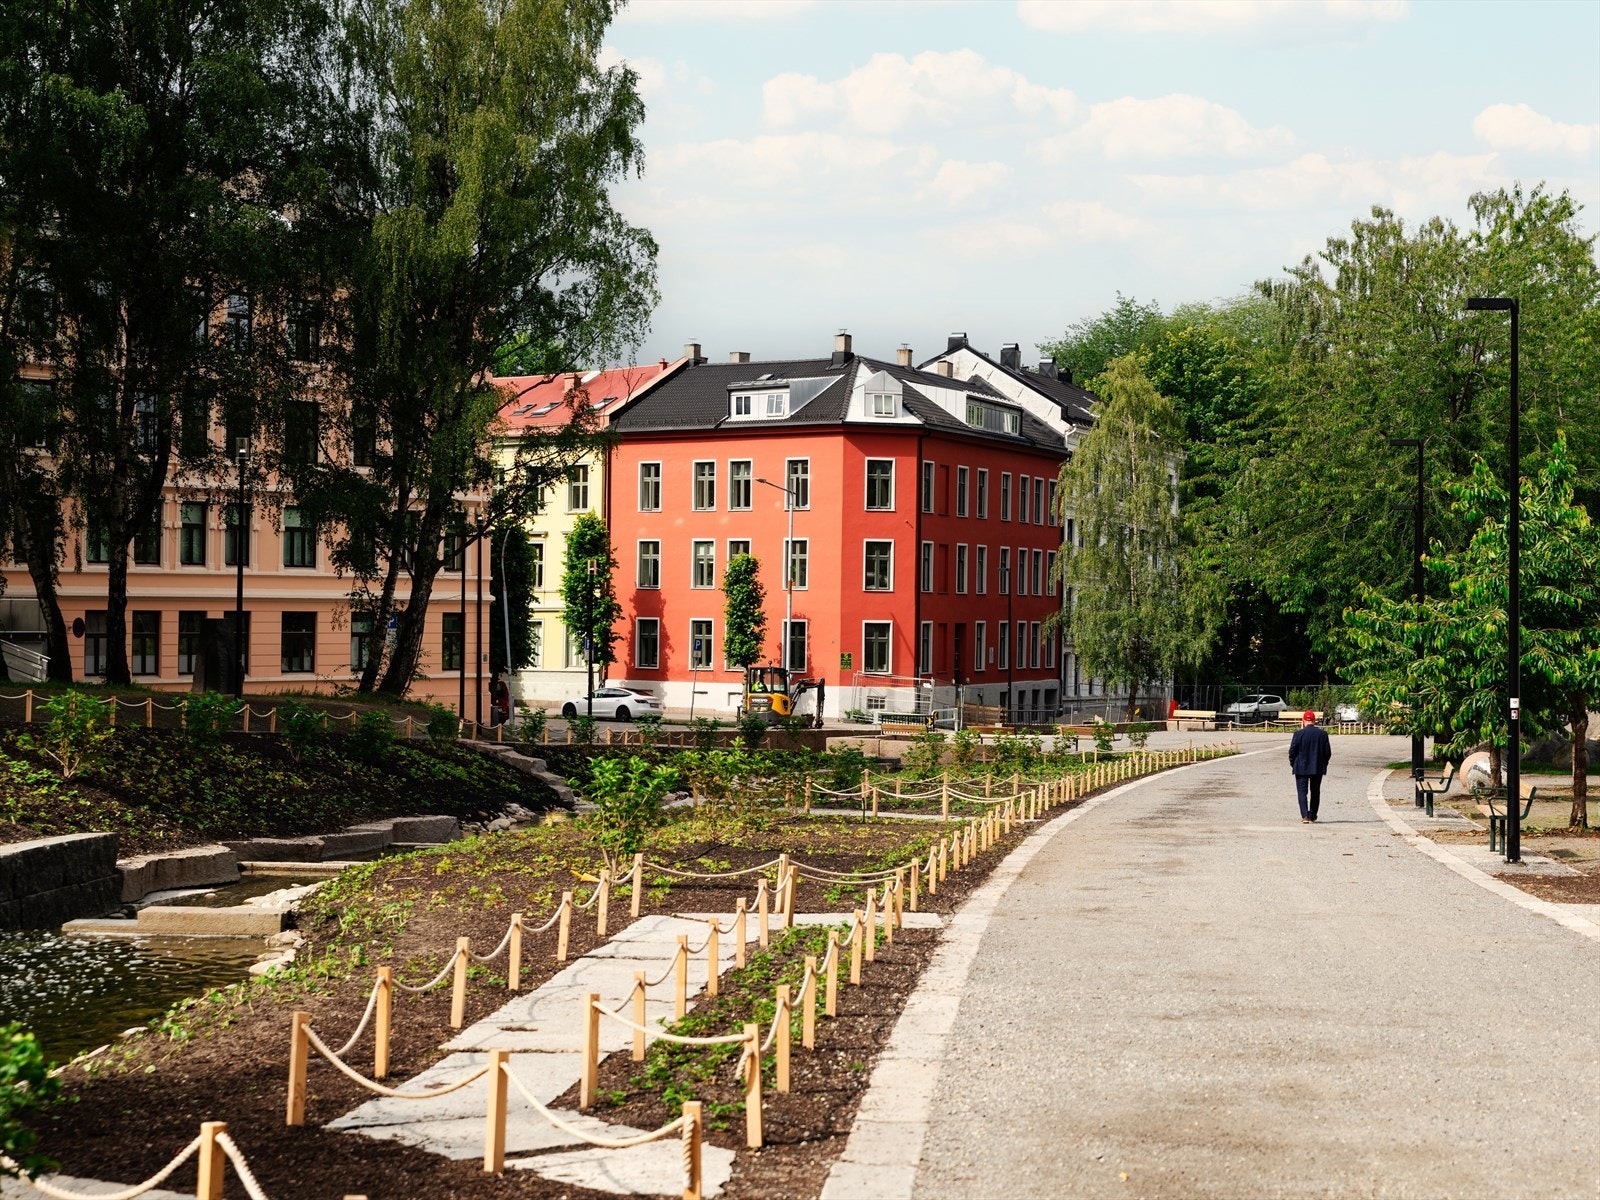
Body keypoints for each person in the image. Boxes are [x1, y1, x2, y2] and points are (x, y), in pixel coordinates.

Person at [1288, 709, 1332, 823]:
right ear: (1314, 721)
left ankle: (1305, 816)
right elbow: (1327, 752)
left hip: (1300, 767)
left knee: (1302, 792)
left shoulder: (1298, 734)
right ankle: (1312, 815)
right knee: (1315, 791)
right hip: (1317, 767)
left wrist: (1293, 763)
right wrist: (1323, 763)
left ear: (1303, 721)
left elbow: (1292, 751)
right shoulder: (1323, 734)